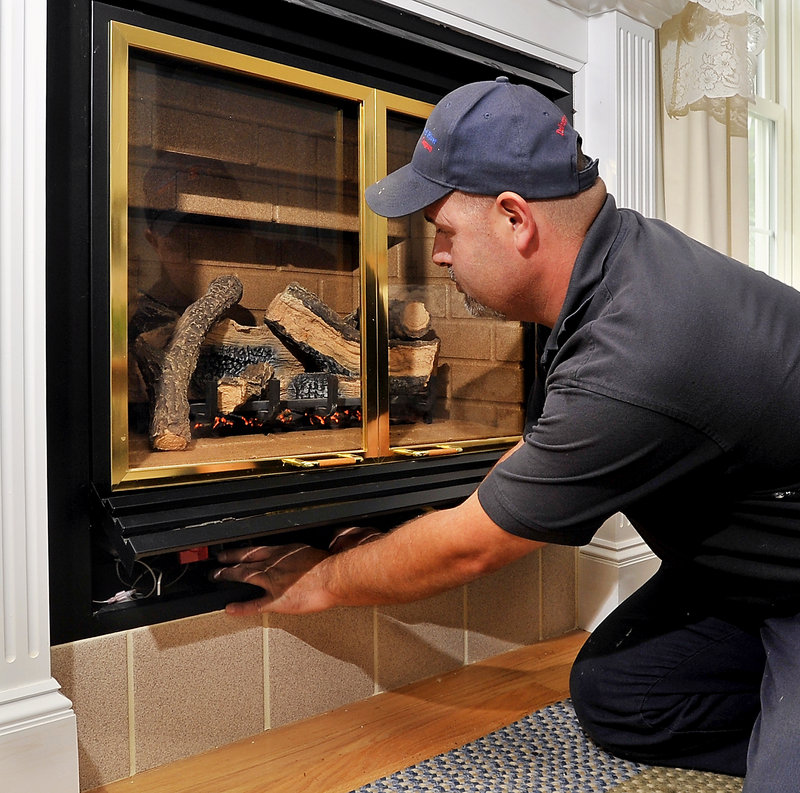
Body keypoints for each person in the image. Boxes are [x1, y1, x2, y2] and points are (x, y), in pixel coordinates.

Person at [212, 77, 800, 791]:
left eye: (444, 230)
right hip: (749, 581)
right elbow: (539, 456)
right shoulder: (612, 271)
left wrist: (320, 580)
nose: (437, 256)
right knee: (619, 695)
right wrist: (409, 529)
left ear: (515, 218)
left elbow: (472, 548)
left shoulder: (637, 349)